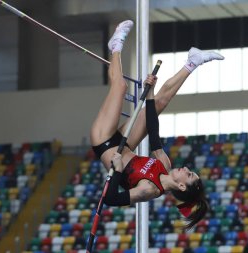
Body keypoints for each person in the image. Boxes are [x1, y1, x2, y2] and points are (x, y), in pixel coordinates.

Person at [90, 20, 224, 230]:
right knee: (160, 103)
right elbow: (153, 130)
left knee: (121, 86)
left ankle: (115, 46)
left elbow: (111, 199)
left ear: (181, 185)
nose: (187, 168)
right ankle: (192, 62)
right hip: (125, 145)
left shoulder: (149, 190)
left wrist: (116, 170)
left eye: (188, 174)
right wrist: (150, 93)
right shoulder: (165, 165)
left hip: (105, 142)